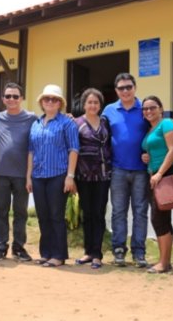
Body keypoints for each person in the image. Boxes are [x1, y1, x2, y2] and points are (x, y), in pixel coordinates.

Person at [27, 84, 79, 268]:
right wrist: (28, 177)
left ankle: (59, 254)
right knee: (43, 216)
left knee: (56, 215)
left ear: (60, 103)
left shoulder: (67, 123)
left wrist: (70, 176)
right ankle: (46, 252)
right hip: (38, 176)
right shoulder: (35, 124)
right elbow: (31, 152)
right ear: (41, 102)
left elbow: (74, 150)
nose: (50, 102)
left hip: (58, 175)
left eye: (54, 99)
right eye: (47, 99)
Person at [102, 73, 150, 268]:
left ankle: (139, 252)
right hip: (118, 169)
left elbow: (157, 130)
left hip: (141, 170)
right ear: (116, 91)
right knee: (118, 211)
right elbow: (96, 128)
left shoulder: (145, 109)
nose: (125, 91)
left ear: (135, 87)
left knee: (140, 211)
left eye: (129, 87)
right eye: (121, 88)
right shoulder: (109, 110)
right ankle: (119, 250)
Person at [0, 82, 36, 262]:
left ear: (22, 98)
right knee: (0, 211)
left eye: (15, 96)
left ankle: (19, 247)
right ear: (3, 99)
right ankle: (0, 246)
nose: (11, 99)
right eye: (8, 96)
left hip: (22, 175)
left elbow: (50, 122)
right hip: (1, 173)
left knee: (20, 212)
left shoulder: (32, 118)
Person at [73, 88, 111, 269]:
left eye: (96, 102)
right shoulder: (76, 123)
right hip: (83, 175)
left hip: (103, 175)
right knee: (87, 214)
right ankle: (88, 252)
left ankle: (97, 254)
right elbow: (72, 149)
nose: (93, 105)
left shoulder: (106, 122)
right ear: (84, 104)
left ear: (100, 105)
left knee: (99, 213)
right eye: (89, 102)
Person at [141, 96, 173, 274]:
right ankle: (164, 260)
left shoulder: (167, 124)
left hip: (164, 176)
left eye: (152, 107)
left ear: (161, 108)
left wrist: (160, 173)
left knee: (159, 218)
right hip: (154, 177)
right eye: (145, 109)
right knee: (160, 219)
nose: (148, 111)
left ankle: (164, 263)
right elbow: (155, 149)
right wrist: (145, 157)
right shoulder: (151, 129)